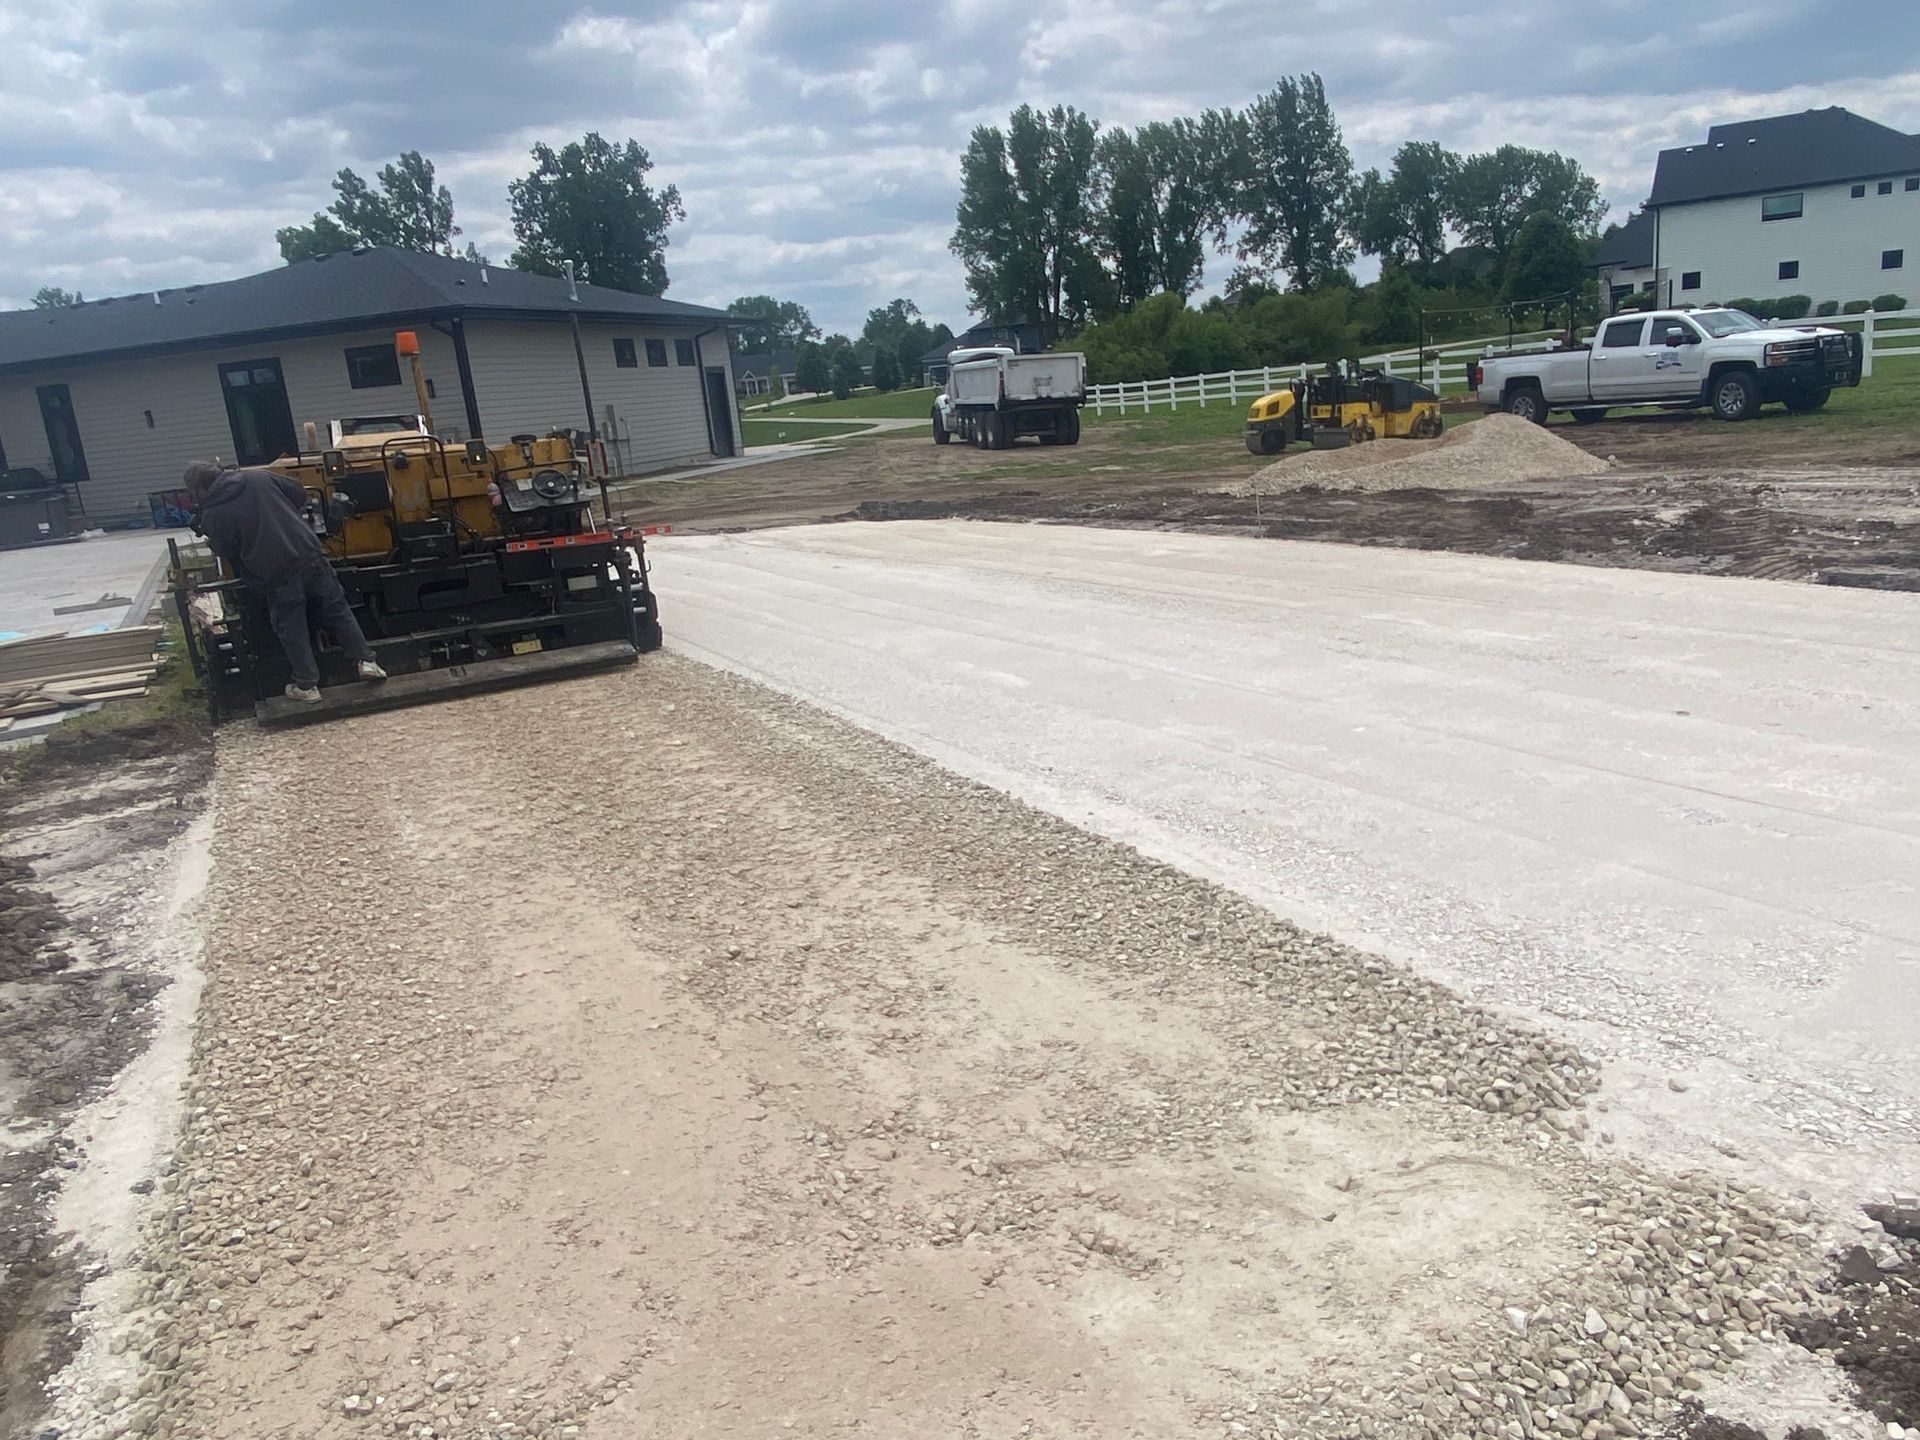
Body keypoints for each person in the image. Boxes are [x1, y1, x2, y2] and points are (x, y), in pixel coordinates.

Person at [181, 461, 386, 703]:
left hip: (273, 570)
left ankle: (307, 686)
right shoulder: (257, 477)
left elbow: (227, 549)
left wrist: (212, 537)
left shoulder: (213, 512)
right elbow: (298, 492)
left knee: (291, 626)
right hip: (309, 554)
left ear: (199, 490)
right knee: (337, 610)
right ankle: (367, 662)